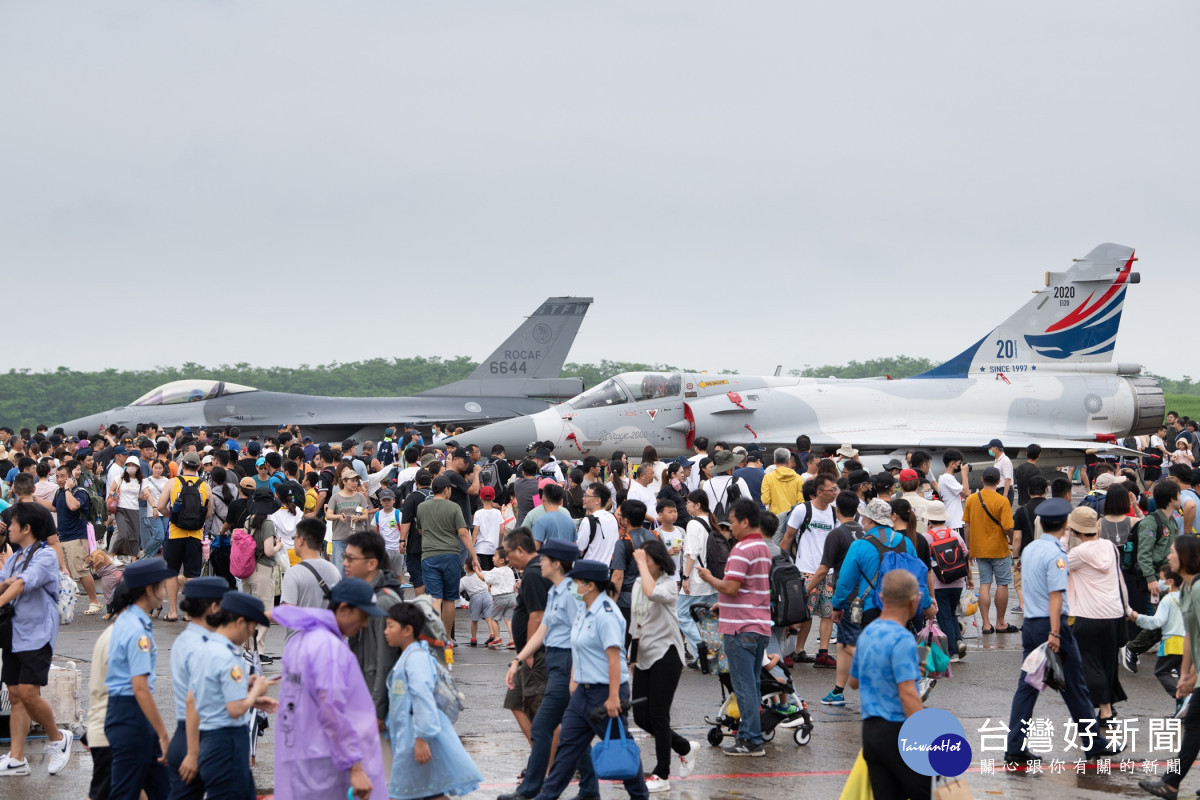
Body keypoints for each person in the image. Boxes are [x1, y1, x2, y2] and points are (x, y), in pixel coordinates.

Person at [1004, 498, 1122, 765]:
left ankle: (1015, 746)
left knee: (1028, 687)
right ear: (1066, 524)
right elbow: (1056, 595)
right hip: (1051, 626)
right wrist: (1056, 633)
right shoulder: (1056, 554)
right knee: (1076, 686)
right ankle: (1094, 744)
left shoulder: (1032, 549)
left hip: (1032, 626)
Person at [532, 559, 649, 800]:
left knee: (619, 748)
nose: (572, 585)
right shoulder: (583, 610)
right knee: (567, 749)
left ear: (590, 585)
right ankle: (547, 796)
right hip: (582, 693)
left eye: (576, 581)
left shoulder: (606, 614)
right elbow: (577, 647)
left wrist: (614, 697)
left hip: (605, 693)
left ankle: (640, 796)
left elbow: (614, 659)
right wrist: (574, 680)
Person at [498, 538, 599, 800]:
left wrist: (576, 673)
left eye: (544, 558)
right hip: (556, 661)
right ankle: (589, 789)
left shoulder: (572, 592)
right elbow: (543, 629)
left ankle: (529, 789)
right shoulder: (555, 590)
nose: (539, 561)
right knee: (573, 729)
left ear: (556, 563)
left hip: (567, 663)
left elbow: (582, 633)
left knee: (543, 727)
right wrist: (518, 660)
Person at [273, 578, 389, 800]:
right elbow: (332, 709)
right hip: (325, 764)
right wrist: (354, 765)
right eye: (363, 616)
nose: (364, 624)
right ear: (344, 609)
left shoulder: (300, 641)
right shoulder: (330, 648)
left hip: (299, 755)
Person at [0, 503, 73, 779]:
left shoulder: (45, 556)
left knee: (29, 693)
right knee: (16, 695)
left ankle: (58, 737)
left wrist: (5, 590)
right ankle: (17, 759)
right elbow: (5, 582)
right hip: (14, 634)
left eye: (13, 523)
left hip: (36, 634)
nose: (8, 527)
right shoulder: (15, 557)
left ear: (26, 528)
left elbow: (20, 584)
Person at [384, 603, 483, 800]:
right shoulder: (410, 656)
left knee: (407, 793)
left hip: (416, 738)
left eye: (390, 626)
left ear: (407, 630)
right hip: (411, 738)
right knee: (429, 792)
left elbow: (423, 697)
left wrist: (422, 739)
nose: (386, 631)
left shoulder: (415, 659)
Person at [698, 498, 772, 756]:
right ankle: (751, 734)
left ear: (744, 521)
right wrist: (724, 602)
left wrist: (710, 578)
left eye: (732, 521)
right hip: (759, 624)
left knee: (743, 686)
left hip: (740, 628)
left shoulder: (741, 550)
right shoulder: (762, 547)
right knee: (752, 684)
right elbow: (748, 587)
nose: (730, 528)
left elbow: (731, 587)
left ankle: (751, 740)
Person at [185, 591, 277, 799]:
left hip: (210, 741)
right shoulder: (229, 656)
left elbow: (196, 698)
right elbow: (235, 709)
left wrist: (244, 687)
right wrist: (255, 693)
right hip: (226, 745)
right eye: (253, 628)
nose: (251, 634)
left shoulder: (207, 648)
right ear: (240, 622)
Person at [849, 570, 928, 800]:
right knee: (936, 790)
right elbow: (907, 694)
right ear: (915, 600)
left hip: (871, 733)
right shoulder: (902, 639)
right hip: (898, 730)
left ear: (881, 598)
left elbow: (854, 681)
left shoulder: (867, 633)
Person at [104, 557, 176, 799]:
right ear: (149, 589)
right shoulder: (136, 629)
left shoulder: (131, 620)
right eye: (162, 586)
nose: (164, 592)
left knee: (163, 789)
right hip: (131, 716)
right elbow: (140, 688)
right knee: (125, 794)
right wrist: (164, 734)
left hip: (130, 716)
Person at [630, 540, 698, 792]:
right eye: (641, 560)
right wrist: (633, 657)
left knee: (659, 714)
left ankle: (662, 774)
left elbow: (652, 593)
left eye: (647, 560)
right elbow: (635, 621)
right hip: (644, 656)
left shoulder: (669, 585)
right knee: (641, 716)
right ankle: (684, 747)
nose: (642, 565)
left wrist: (641, 565)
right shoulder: (638, 583)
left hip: (666, 655)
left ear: (658, 562)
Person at [164, 576, 231, 800]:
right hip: (201, 736)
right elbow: (198, 699)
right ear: (213, 607)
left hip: (182, 733)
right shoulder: (204, 646)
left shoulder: (184, 640)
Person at [1065, 505, 1128, 724]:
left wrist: (1063, 539)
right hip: (1114, 613)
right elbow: (1119, 579)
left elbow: (1058, 567)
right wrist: (1127, 608)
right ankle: (1107, 708)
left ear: (1074, 530)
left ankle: (1106, 712)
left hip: (1088, 615)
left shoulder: (1078, 553)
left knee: (1089, 664)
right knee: (1108, 663)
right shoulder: (1110, 547)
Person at [806, 490, 866, 704]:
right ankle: (838, 691)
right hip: (864, 596)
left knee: (850, 643)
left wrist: (806, 590)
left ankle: (878, 674)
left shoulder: (837, 534)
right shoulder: (865, 531)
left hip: (846, 597)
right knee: (842, 644)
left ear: (837, 509)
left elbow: (823, 569)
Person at [344, 530, 406, 727]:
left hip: (377, 705)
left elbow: (386, 659)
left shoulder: (383, 602)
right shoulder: (365, 595)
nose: (345, 563)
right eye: (345, 557)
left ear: (371, 563)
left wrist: (378, 711)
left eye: (351, 558)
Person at [780, 474, 839, 668]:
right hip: (804, 570)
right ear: (819, 492)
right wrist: (781, 562)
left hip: (827, 572)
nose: (835, 493)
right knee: (799, 613)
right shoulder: (802, 510)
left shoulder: (833, 513)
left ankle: (822, 653)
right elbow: (788, 537)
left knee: (827, 613)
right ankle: (792, 650)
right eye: (832, 490)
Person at [501, 528, 551, 748]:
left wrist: (528, 653)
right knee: (515, 701)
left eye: (508, 554)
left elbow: (537, 616)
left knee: (539, 709)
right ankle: (541, 756)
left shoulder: (534, 573)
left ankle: (555, 760)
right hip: (526, 655)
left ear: (520, 550)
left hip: (536, 654)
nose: (508, 560)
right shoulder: (533, 570)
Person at [417, 475, 482, 636]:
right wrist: (473, 556)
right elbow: (463, 534)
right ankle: (446, 637)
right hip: (450, 556)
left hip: (429, 555)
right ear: (446, 489)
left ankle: (436, 636)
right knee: (449, 599)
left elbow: (420, 530)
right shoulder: (454, 507)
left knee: (435, 598)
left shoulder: (422, 507)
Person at [85, 581, 129, 800]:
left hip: (107, 729)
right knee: (104, 792)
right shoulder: (123, 637)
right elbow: (127, 691)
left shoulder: (114, 632)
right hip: (112, 731)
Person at [963, 466, 1019, 635]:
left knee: (985, 584)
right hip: (999, 549)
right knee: (1002, 584)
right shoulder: (1002, 501)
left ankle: (986, 624)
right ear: (998, 481)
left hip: (979, 549)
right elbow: (1009, 527)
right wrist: (1010, 538)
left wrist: (970, 547)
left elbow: (967, 526)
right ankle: (1000, 622)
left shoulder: (972, 499)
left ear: (982, 480)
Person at [156, 452, 211, 623]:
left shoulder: (173, 483)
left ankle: (172, 612)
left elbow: (160, 507)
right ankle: (189, 614)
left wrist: (174, 517)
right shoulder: (205, 486)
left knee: (172, 572)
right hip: (195, 535)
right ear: (198, 467)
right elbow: (208, 514)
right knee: (192, 574)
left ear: (182, 466)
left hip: (174, 533)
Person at [1130, 564, 1186, 711]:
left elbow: (1157, 622)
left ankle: (1181, 697)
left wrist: (1137, 617)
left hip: (1172, 643)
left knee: (1161, 671)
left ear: (1170, 582)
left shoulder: (1168, 600)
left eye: (1161, 579)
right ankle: (1181, 709)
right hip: (1188, 644)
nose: (1159, 582)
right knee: (1182, 677)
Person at [920, 501, 970, 664]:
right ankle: (958, 641)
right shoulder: (954, 534)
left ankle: (952, 651)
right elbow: (965, 556)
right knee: (951, 613)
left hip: (938, 584)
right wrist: (969, 579)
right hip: (957, 582)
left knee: (944, 616)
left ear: (930, 519)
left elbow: (923, 562)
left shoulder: (927, 537)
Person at [52, 463, 102, 613]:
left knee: (81, 571)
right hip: (63, 538)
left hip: (77, 538)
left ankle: (95, 602)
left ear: (70, 477)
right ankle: (67, 603)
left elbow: (74, 506)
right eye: (57, 476)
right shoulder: (59, 493)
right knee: (66, 573)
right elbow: (54, 507)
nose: (59, 479)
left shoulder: (79, 492)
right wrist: (34, 498)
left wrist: (68, 488)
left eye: (63, 476)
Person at [678, 491, 718, 665]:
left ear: (698, 505)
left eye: (689, 503)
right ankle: (713, 651)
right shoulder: (712, 520)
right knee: (711, 616)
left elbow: (691, 554)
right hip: (713, 578)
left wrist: (686, 577)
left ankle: (703, 653)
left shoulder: (694, 524)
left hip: (697, 577)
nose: (686, 506)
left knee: (682, 615)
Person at [110, 455, 144, 558]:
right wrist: (113, 494)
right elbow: (111, 490)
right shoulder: (120, 478)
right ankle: (112, 555)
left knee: (134, 536)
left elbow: (142, 495)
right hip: (121, 509)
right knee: (122, 534)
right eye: (128, 465)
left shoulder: (141, 480)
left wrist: (144, 497)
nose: (131, 467)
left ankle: (133, 560)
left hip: (134, 509)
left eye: (133, 465)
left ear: (138, 467)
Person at [578, 483, 619, 563]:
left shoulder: (588, 521)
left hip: (588, 570)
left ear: (597, 500)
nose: (583, 498)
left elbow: (579, 548)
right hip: (607, 570)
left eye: (587, 495)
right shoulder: (613, 518)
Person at [472, 485, 503, 569]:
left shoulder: (478, 513)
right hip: (494, 549)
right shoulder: (498, 513)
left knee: (484, 575)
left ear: (480, 497)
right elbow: (501, 531)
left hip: (481, 548)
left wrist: (472, 546)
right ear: (493, 498)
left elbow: (475, 531)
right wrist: (499, 544)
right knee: (494, 575)